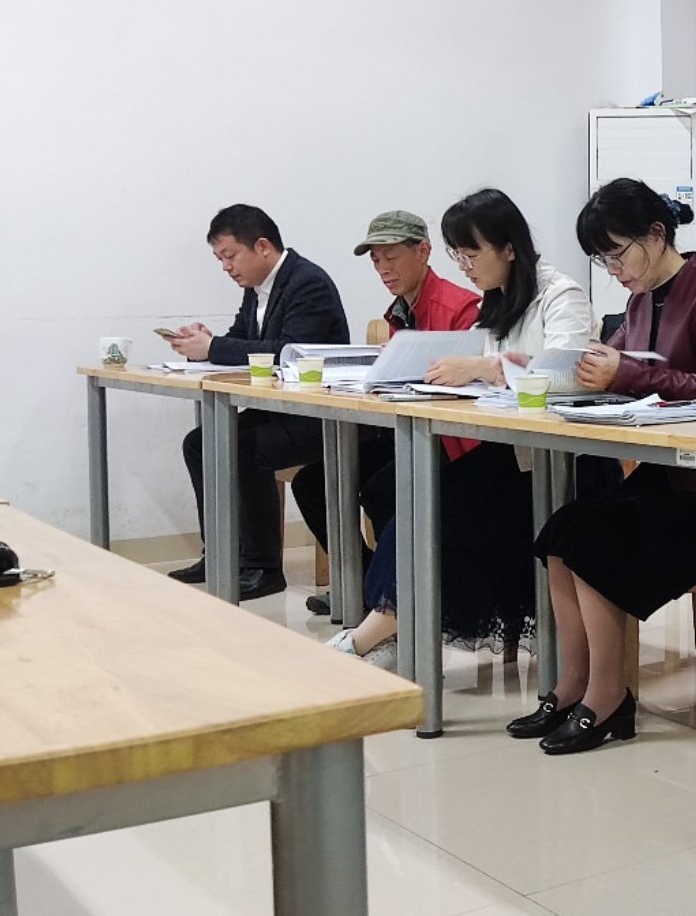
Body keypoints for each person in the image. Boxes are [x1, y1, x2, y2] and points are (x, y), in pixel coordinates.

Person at [509, 179, 696, 752]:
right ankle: (573, 684)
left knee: (593, 538)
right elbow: (619, 367)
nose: (613, 269)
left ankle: (608, 696)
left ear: (657, 235)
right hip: (663, 474)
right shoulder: (640, 301)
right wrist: (554, 370)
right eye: (602, 259)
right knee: (560, 532)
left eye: (617, 254)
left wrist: (627, 374)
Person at [330, 189, 592, 667]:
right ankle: (383, 630)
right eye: (458, 256)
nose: (465, 268)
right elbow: (476, 364)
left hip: (562, 464)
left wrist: (487, 368)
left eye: (471, 255)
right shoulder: (499, 300)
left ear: (508, 248)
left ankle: (367, 638)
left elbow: (570, 373)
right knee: (414, 508)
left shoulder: (561, 296)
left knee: (436, 518)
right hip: (508, 454)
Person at [298, 210, 480, 618]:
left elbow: (466, 388)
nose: (383, 268)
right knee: (316, 481)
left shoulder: (460, 306)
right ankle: (367, 585)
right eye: (376, 259)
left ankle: (400, 598)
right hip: (407, 430)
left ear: (424, 252)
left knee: (383, 489)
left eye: (392, 256)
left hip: (452, 441)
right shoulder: (400, 310)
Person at [167, 204, 347, 599]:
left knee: (244, 450)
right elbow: (241, 340)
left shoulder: (308, 283)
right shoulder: (256, 289)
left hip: (316, 414)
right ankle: (222, 553)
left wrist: (214, 347)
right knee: (199, 443)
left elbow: (289, 353)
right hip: (278, 409)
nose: (226, 267)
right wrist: (203, 343)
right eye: (220, 259)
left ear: (262, 246)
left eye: (230, 256)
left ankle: (263, 568)